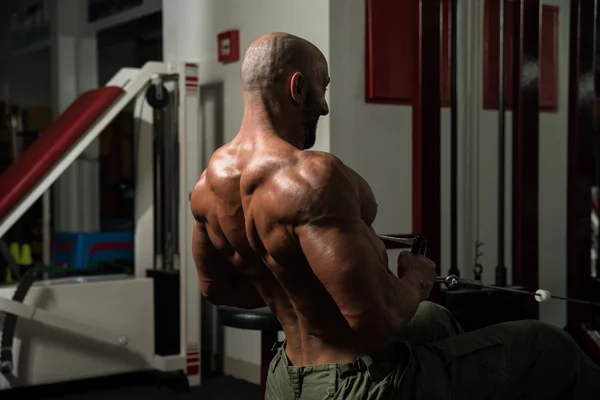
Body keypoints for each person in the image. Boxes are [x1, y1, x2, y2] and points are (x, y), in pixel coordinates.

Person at [190, 32, 600, 399]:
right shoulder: (310, 175)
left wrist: (289, 278)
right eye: (323, 88)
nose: (326, 107)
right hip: (353, 386)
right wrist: (416, 279)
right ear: (297, 87)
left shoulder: (208, 186)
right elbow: (376, 321)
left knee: (433, 319)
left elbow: (219, 291)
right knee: (548, 345)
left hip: (287, 378)